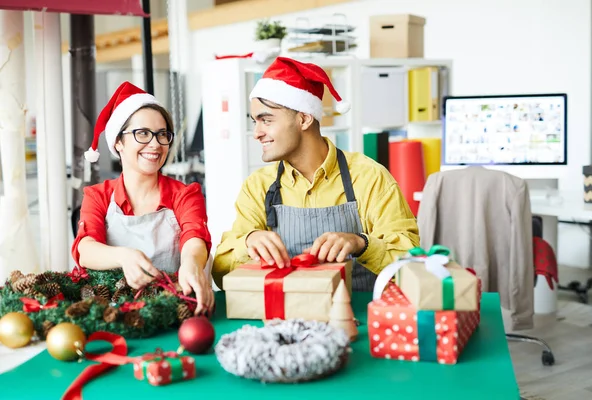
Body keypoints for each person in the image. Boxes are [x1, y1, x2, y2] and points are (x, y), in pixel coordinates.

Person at [212, 57, 420, 292]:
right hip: (285, 317)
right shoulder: (258, 186)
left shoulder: (369, 177)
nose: (257, 133)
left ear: (304, 118)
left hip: (358, 316)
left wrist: (361, 244)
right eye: (255, 122)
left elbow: (411, 264)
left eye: (266, 120)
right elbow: (220, 273)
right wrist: (248, 242)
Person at [71, 81, 213, 315]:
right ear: (118, 141)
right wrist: (124, 255)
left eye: (162, 134)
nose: (155, 144)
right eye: (143, 134)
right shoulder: (98, 196)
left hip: (173, 309)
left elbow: (195, 239)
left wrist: (191, 264)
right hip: (112, 314)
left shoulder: (186, 194)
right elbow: (85, 250)